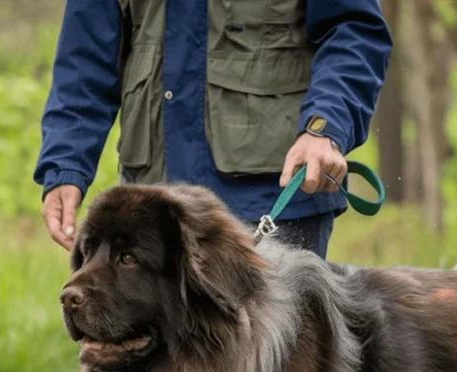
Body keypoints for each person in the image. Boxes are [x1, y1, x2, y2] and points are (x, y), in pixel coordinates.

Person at [34, 0, 392, 259]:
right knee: (156, 363)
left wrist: (324, 127)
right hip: (154, 209)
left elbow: (353, 31)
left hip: (273, 202)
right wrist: (66, 164)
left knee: (277, 363)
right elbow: (84, 61)